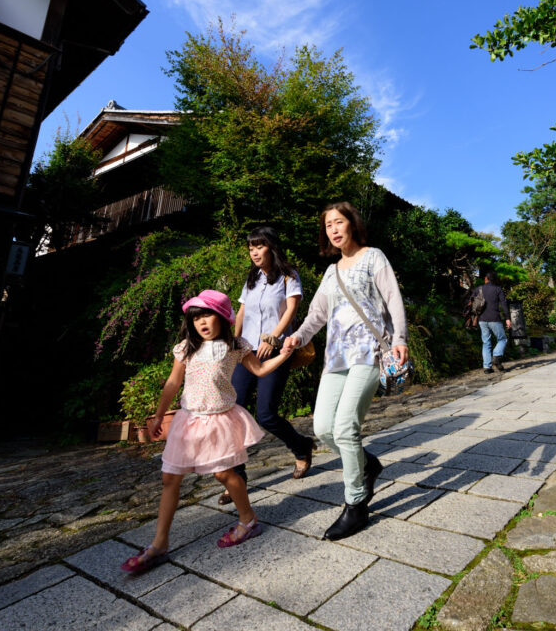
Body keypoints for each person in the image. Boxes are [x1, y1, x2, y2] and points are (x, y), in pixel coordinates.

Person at [121, 290, 293, 573]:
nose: (201, 322)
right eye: (196, 317)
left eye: (207, 315)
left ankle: (248, 520)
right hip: (187, 421)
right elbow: (173, 382)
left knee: (224, 474)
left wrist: (284, 354)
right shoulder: (186, 347)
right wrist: (159, 415)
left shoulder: (235, 345)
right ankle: (159, 543)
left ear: (223, 317)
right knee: (169, 478)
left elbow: (260, 370)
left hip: (218, 420)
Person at [283, 202, 407, 541]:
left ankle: (356, 504)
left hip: (368, 353)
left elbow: (393, 299)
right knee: (324, 429)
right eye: (328, 226)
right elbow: (315, 317)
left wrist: (400, 337)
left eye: (339, 222)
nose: (334, 229)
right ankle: (368, 465)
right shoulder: (330, 272)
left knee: (345, 427)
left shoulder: (373, 257)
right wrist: (296, 337)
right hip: (336, 358)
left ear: (352, 224)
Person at [216, 227, 316, 506]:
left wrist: (273, 338)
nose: (255, 253)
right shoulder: (251, 279)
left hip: (276, 351)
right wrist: (235, 342)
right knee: (234, 412)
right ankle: (238, 478)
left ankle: (301, 446)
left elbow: (292, 310)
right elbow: (243, 312)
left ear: (271, 247)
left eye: (259, 247)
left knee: (267, 415)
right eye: (251, 248)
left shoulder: (289, 276)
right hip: (246, 352)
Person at [477, 270, 511, 374]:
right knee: (502, 339)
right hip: (495, 319)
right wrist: (507, 318)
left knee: (486, 342)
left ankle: (487, 367)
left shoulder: (479, 289)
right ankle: (496, 356)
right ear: (494, 279)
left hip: (482, 319)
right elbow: (504, 304)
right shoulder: (497, 289)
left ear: (486, 279)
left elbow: (471, 301)